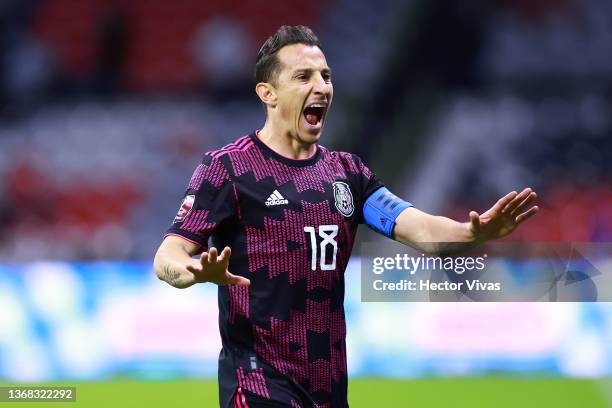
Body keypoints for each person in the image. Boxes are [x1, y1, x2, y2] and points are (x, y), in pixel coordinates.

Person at [153, 25, 538, 408]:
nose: (320, 86)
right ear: (267, 94)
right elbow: (167, 256)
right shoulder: (229, 168)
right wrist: (193, 271)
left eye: (326, 76)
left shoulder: (347, 174)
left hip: (328, 389)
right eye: (303, 76)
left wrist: (472, 231)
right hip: (257, 385)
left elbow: (420, 230)